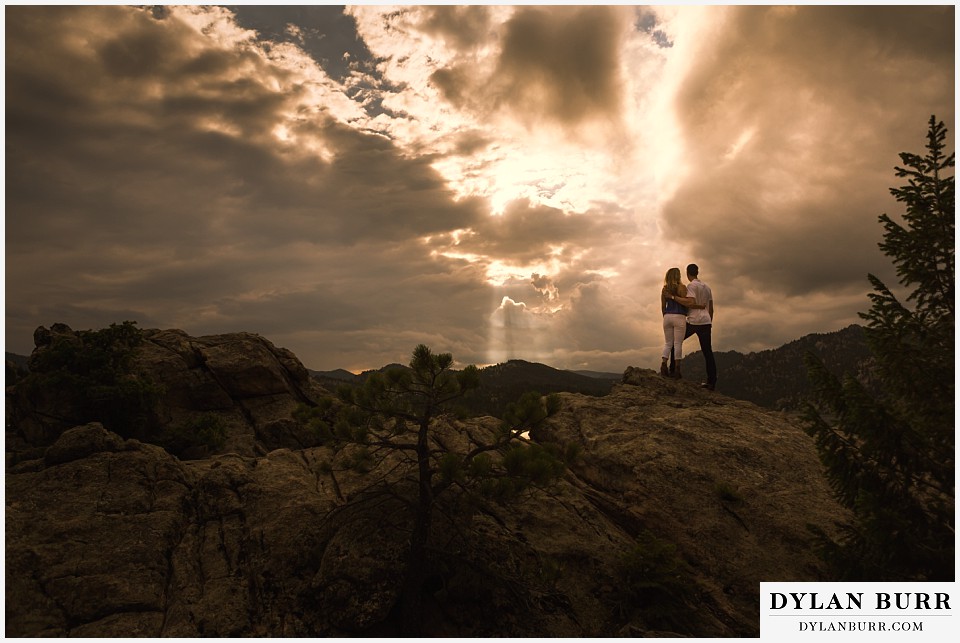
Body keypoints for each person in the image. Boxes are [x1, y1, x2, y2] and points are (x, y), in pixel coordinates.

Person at [669, 263, 717, 390]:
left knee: (676, 342)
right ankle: (711, 382)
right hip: (706, 321)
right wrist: (710, 322)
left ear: (687, 273)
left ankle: (673, 372)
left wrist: (674, 298)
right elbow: (711, 308)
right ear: (697, 272)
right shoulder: (707, 287)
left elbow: (690, 303)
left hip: (693, 321)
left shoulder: (691, 286)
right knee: (708, 352)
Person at [659, 268, 688, 378]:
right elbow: (685, 303)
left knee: (668, 343)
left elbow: (663, 306)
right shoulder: (682, 287)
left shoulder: (664, 289)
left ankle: (663, 365)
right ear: (678, 276)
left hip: (667, 316)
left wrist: (665, 316)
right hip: (679, 316)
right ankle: (677, 370)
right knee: (677, 344)